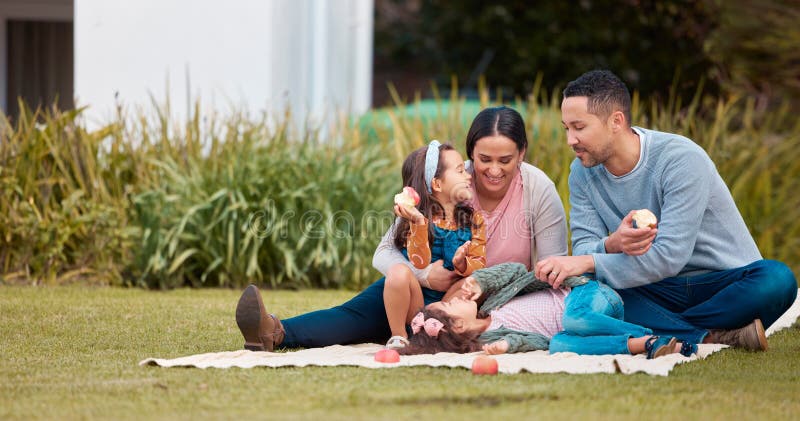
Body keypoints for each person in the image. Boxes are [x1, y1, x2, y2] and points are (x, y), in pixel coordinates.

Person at [235, 106, 569, 351]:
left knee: (387, 316)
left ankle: (409, 333)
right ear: (471, 155)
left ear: (521, 153)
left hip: (483, 305)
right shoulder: (446, 181)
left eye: (505, 160)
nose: (493, 171)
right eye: (484, 159)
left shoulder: (537, 189)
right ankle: (274, 333)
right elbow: (385, 252)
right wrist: (424, 276)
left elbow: (553, 271)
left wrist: (491, 297)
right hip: (418, 289)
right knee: (359, 311)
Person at [534, 69, 798, 351]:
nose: (570, 140)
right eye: (566, 128)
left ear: (616, 121)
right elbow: (588, 247)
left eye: (579, 127)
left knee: (778, 279)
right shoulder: (581, 173)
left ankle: (666, 330)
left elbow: (669, 256)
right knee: (593, 291)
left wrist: (591, 261)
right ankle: (708, 336)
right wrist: (612, 244)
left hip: (721, 285)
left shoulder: (679, 159)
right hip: (653, 287)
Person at [400, 262, 697, 359]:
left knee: (573, 318)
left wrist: (480, 280)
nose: (456, 297)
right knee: (558, 344)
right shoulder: (492, 341)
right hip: (583, 326)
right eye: (451, 304)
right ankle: (645, 344)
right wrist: (509, 345)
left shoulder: (491, 303)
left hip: (586, 295)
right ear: (460, 328)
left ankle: (653, 333)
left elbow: (517, 269)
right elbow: (538, 342)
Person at [381, 141, 486, 349]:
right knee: (398, 273)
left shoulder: (473, 220)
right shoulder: (417, 220)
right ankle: (400, 336)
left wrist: (462, 265)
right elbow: (419, 263)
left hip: (450, 304)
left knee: (475, 280)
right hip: (416, 305)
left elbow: (480, 262)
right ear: (437, 184)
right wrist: (419, 224)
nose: (468, 176)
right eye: (460, 171)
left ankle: (445, 331)